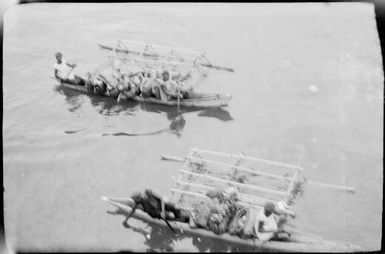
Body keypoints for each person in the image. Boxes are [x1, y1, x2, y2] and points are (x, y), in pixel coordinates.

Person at [124, 189, 189, 224]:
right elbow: (133, 210)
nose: (134, 200)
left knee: (176, 206)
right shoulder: (138, 201)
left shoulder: (148, 192)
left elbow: (161, 198)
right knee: (171, 215)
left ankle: (180, 216)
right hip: (155, 213)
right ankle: (178, 220)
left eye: (134, 199)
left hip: (161, 206)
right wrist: (126, 219)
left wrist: (163, 211)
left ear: (138, 197)